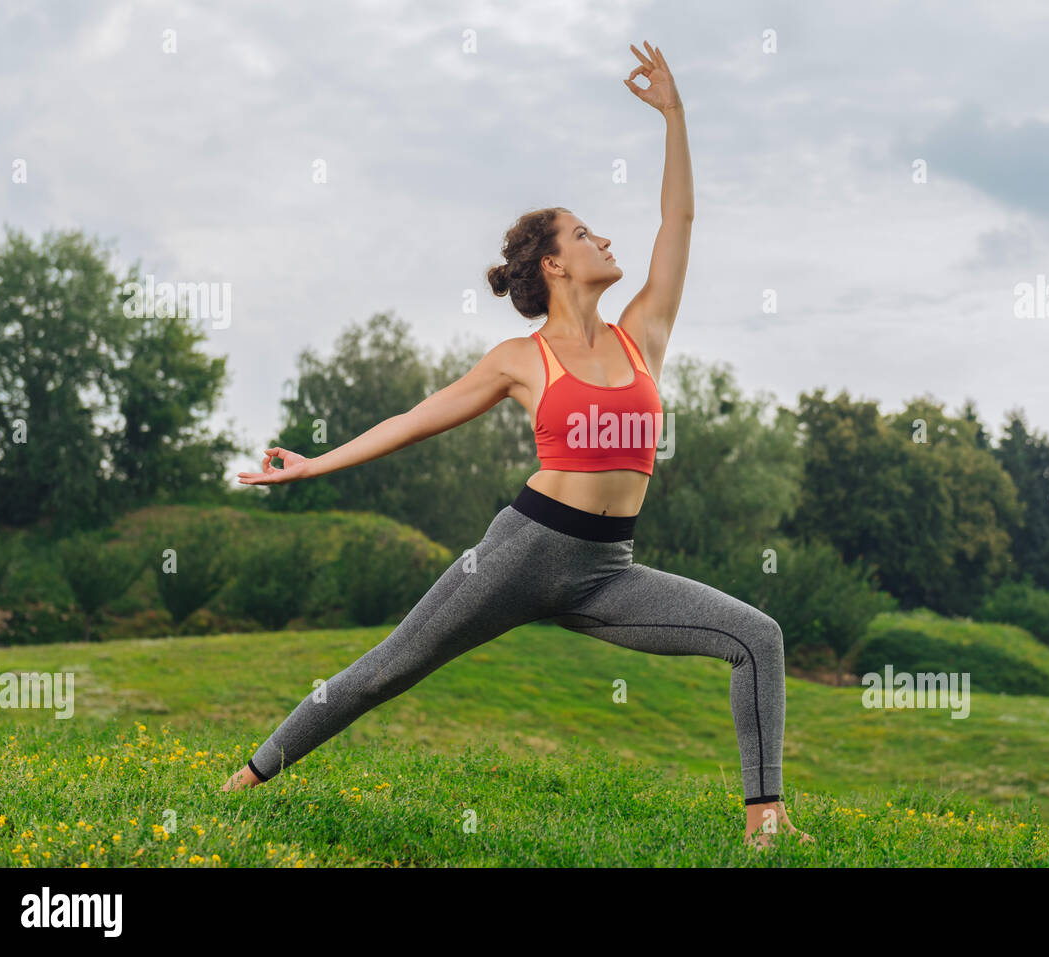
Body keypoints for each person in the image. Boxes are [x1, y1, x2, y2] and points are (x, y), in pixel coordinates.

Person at [224, 41, 810, 851]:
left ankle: (764, 823)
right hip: (522, 552)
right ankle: (248, 777)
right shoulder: (521, 360)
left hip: (610, 569)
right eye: (584, 233)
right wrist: (315, 464)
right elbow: (415, 419)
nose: (605, 239)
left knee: (759, 636)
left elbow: (679, 219)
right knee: (392, 665)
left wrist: (676, 115)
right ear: (554, 264)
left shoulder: (645, 333)